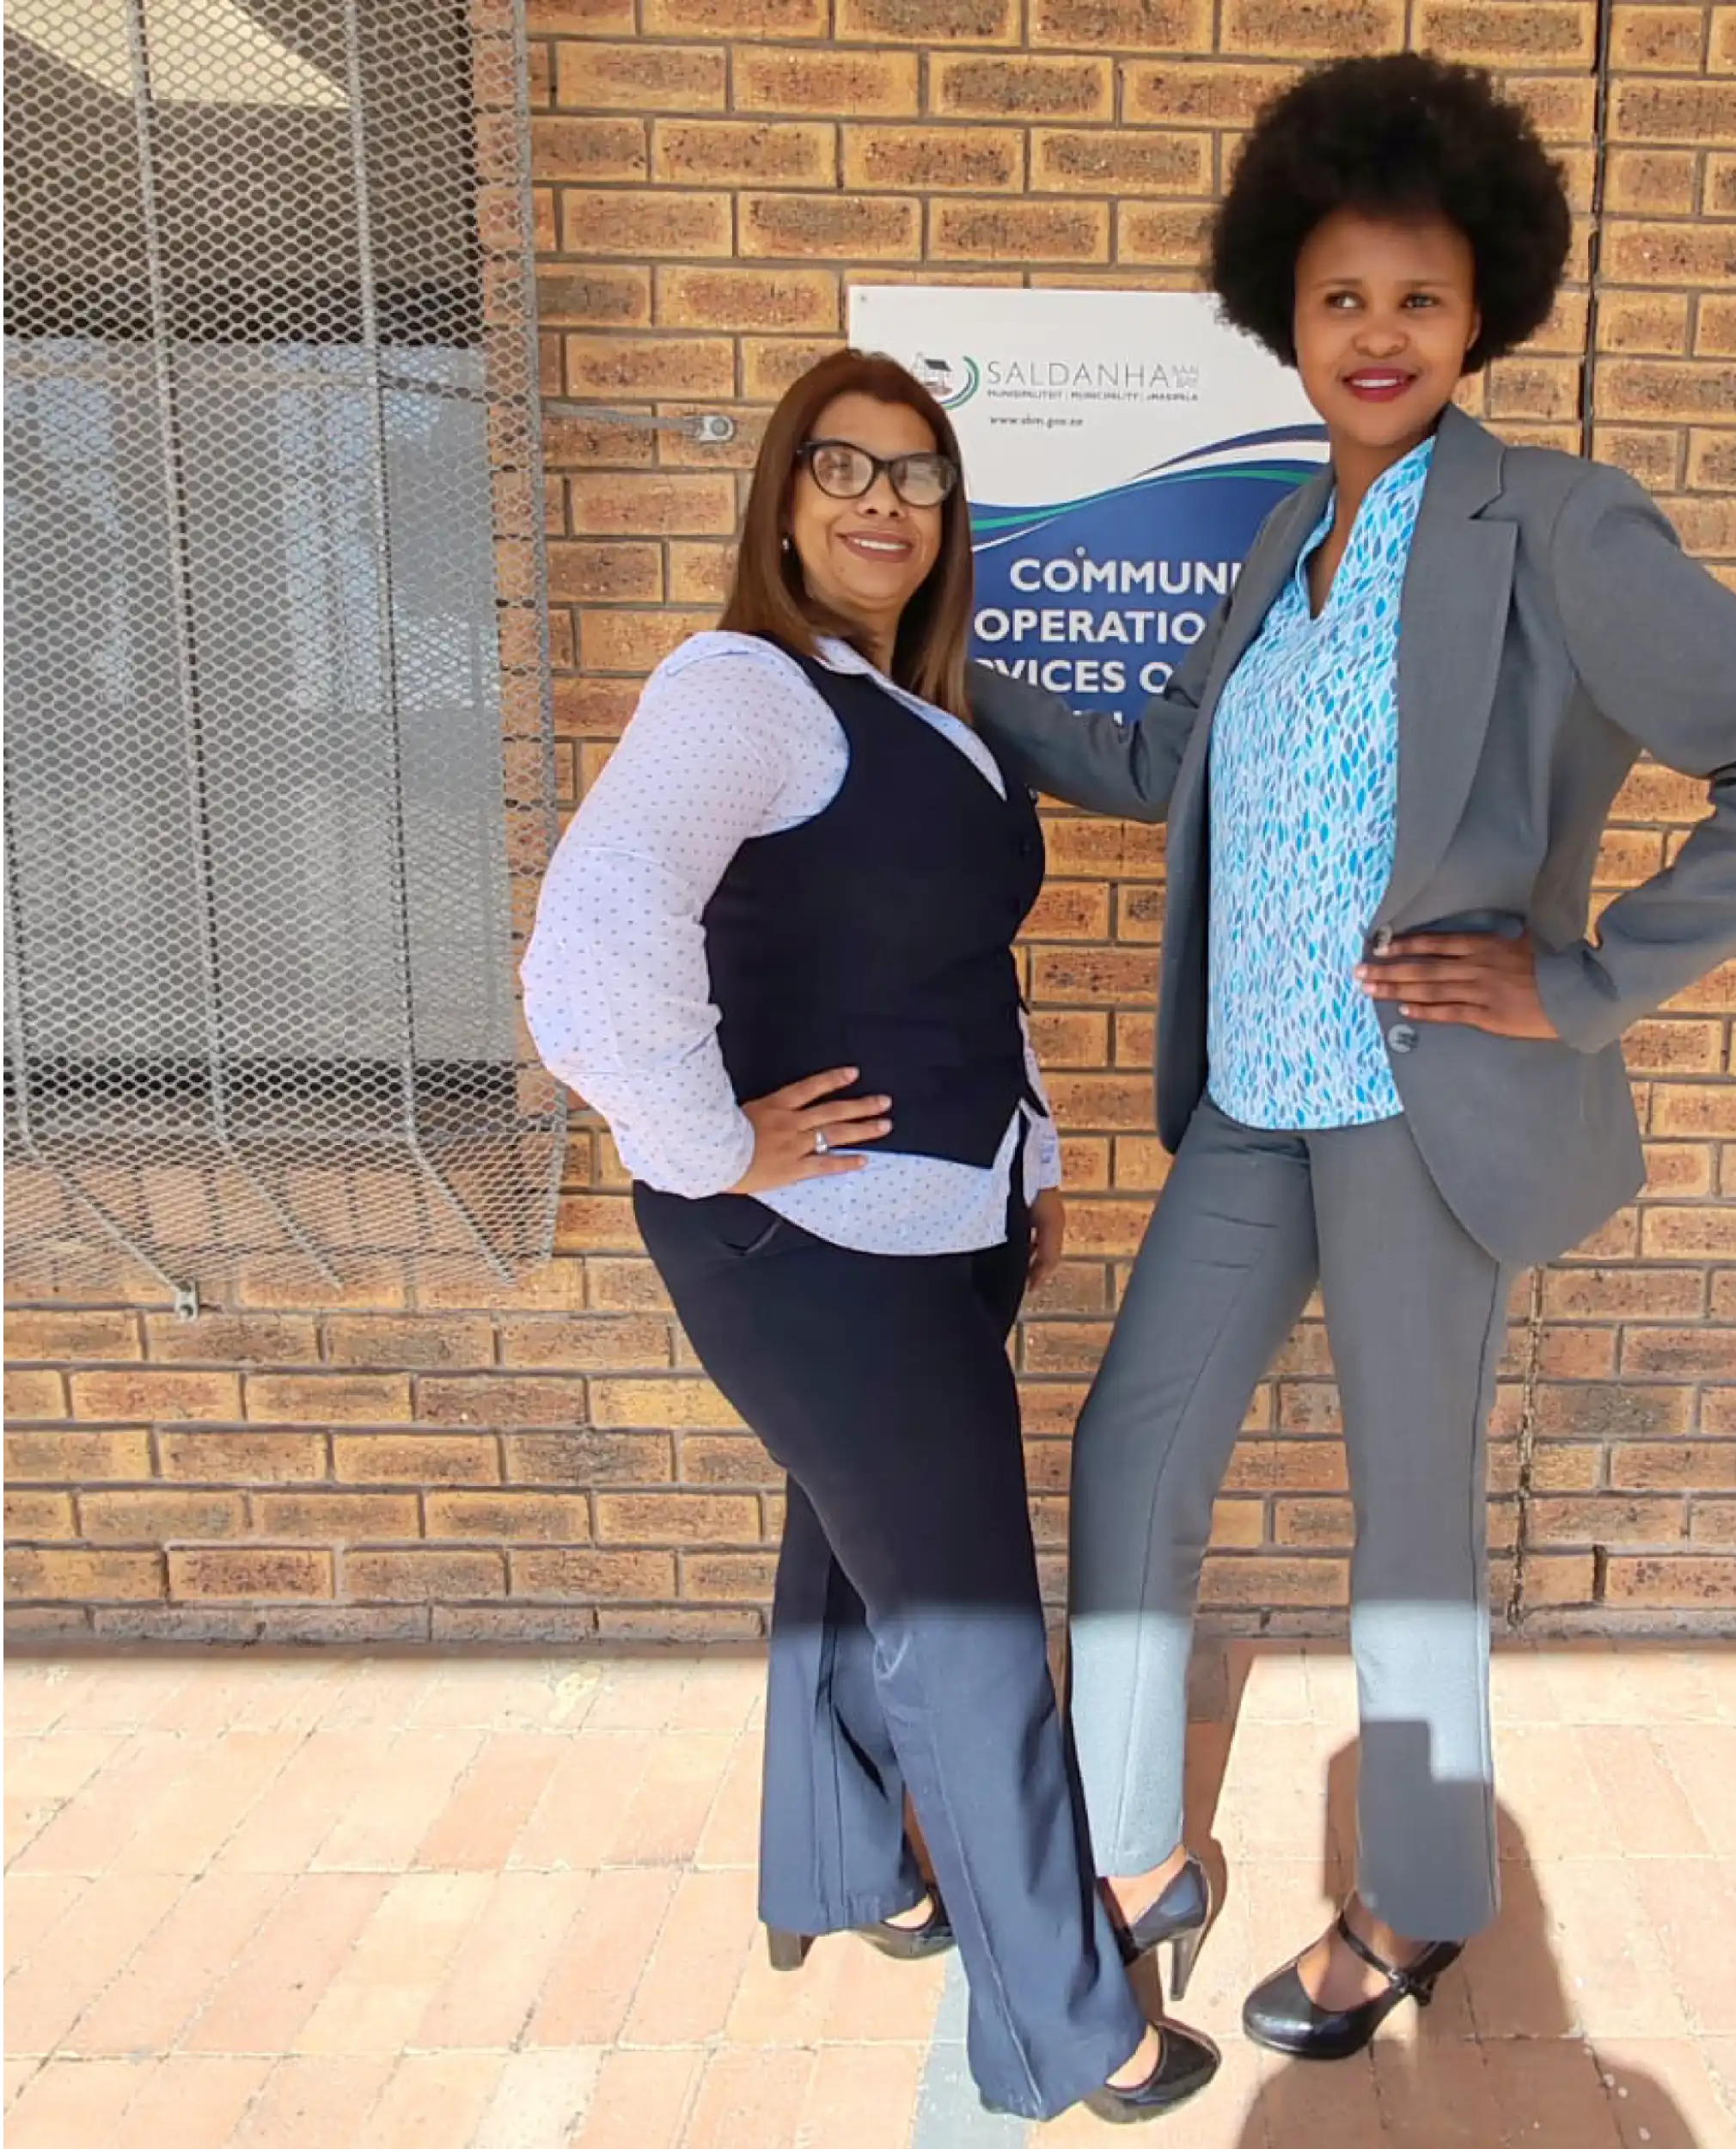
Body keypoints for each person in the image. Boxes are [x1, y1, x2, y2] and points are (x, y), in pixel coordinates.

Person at [965, 53, 1736, 2061]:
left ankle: (1418, 1890)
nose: (1371, 333)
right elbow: (1157, 766)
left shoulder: (1550, 524)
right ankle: (1135, 1851)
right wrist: (940, 663)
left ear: (1480, 313)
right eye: (1333, 299)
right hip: (1249, 1097)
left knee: (1409, 1510)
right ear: (1279, 320)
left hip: (1414, 1108)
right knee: (1130, 1447)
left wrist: (1577, 981)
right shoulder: (1280, 538)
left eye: (1412, 296)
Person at [520, 351, 1216, 2124]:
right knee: (970, 1621)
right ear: (780, 496)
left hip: (935, 1224)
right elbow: (595, 930)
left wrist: (1027, 1156)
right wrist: (703, 1138)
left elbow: (958, 970)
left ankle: (844, 1859)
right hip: (810, 1240)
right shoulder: (743, 686)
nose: (879, 501)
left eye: (915, 475)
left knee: (850, 1557)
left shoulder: (933, 719)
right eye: (841, 466)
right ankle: (1066, 2025)